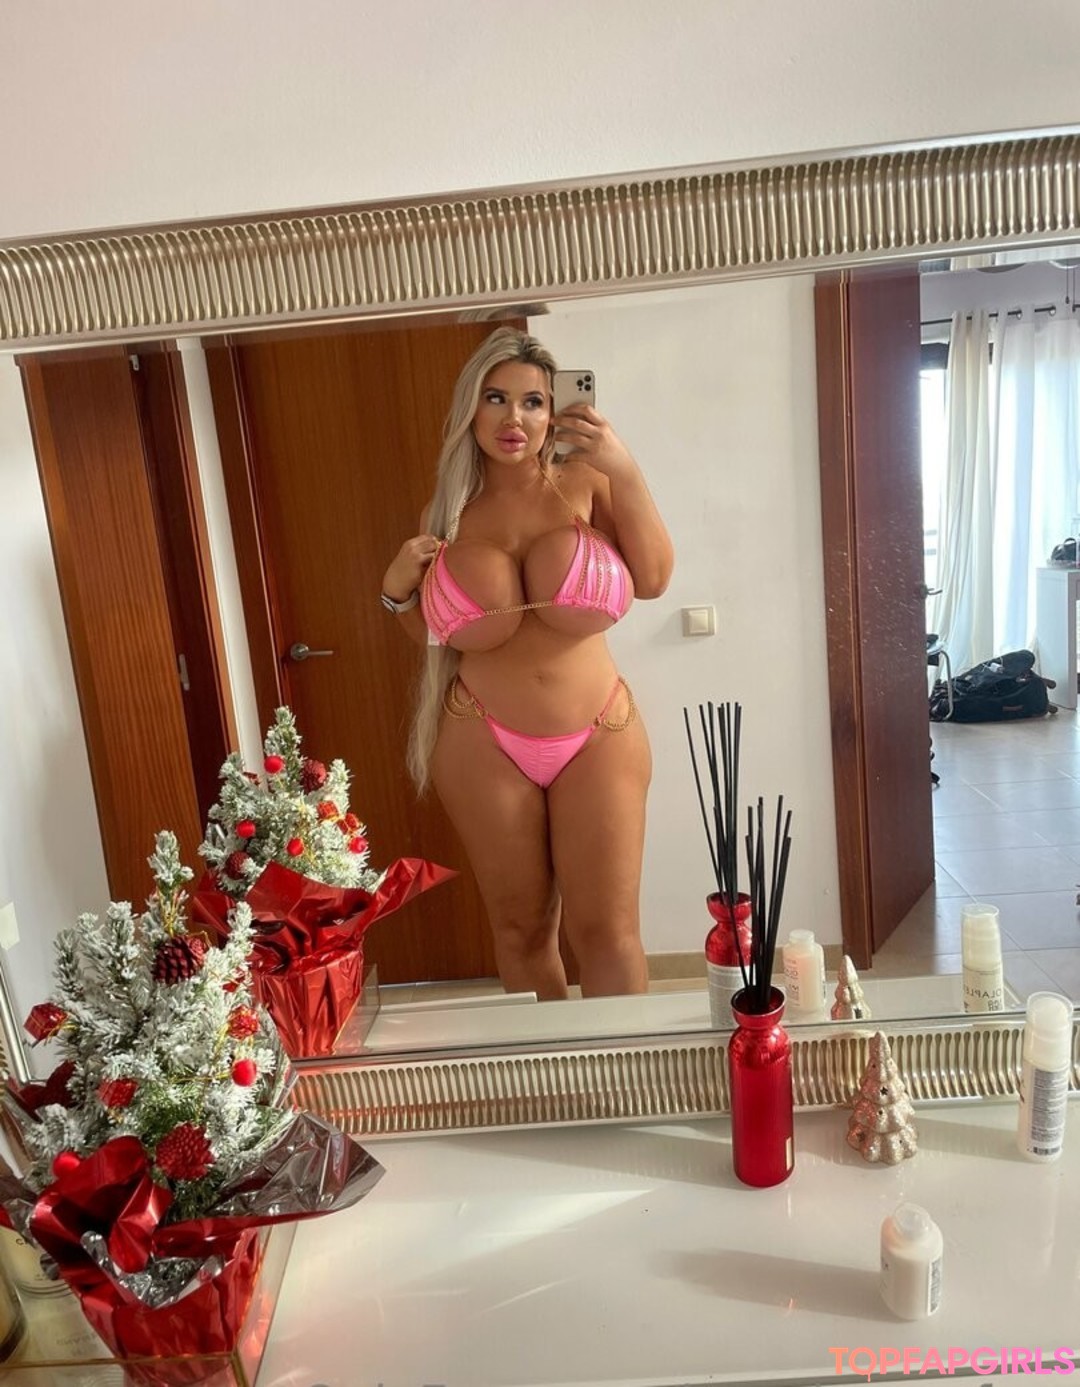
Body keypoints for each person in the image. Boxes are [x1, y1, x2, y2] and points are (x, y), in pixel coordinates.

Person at [380, 327, 673, 999]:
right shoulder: (448, 511)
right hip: (482, 740)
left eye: (533, 401)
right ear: (471, 409)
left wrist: (624, 467)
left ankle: (624, 1068)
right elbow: (441, 637)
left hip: (599, 733)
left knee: (608, 933)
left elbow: (654, 578)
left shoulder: (588, 483)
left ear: (553, 412)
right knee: (520, 931)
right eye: (496, 397)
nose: (514, 417)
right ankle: (556, 1067)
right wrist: (395, 593)